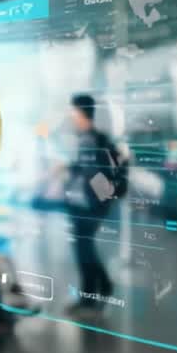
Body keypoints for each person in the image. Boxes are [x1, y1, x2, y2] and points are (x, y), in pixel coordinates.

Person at [64, 93, 120, 318]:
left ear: (81, 112)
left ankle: (91, 297)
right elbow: (86, 168)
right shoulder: (90, 137)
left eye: (73, 111)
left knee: (83, 251)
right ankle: (98, 290)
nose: (71, 116)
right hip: (84, 204)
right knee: (84, 250)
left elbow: (95, 173)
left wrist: (99, 202)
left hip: (88, 206)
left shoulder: (90, 140)